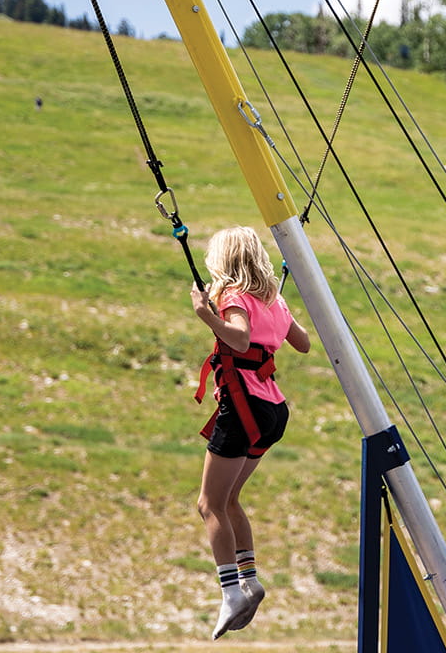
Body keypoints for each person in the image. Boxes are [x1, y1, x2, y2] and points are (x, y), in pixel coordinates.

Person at [189, 226, 311, 638]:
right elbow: (304, 343)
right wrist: (277, 312)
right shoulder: (273, 300)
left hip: (244, 408)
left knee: (209, 504)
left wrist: (207, 313)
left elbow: (239, 339)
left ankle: (231, 593)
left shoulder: (233, 297)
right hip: (272, 410)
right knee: (230, 499)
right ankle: (249, 579)